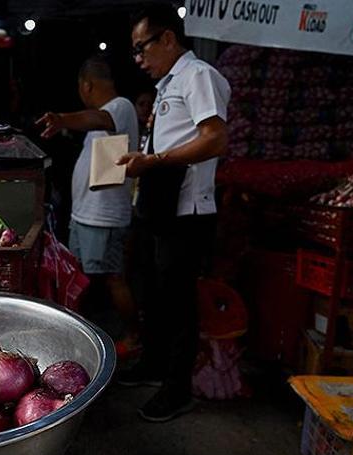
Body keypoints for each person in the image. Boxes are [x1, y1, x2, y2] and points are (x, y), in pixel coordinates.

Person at [115, 6, 231, 422]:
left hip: (187, 210)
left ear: (168, 38)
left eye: (142, 47)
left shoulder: (198, 75)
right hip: (160, 204)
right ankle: (154, 364)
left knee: (178, 300)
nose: (139, 59)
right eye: (134, 52)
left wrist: (156, 159)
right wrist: (148, 159)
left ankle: (177, 388)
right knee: (152, 290)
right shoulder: (170, 84)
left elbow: (215, 139)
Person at [37, 56, 141, 354]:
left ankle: (134, 337)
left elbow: (98, 119)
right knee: (80, 278)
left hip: (104, 218)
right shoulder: (103, 116)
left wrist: (62, 119)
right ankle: (80, 336)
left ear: (87, 85)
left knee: (112, 279)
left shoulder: (119, 107)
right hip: (86, 216)